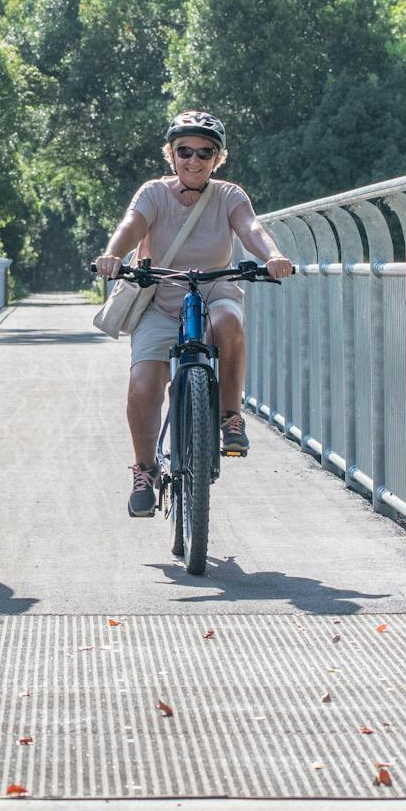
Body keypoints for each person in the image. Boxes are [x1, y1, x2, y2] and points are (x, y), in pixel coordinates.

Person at [92, 110, 295, 517]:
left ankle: (230, 416)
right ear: (170, 154)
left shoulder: (229, 196)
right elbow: (131, 224)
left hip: (214, 291)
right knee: (143, 384)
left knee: (228, 322)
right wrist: (113, 254)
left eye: (206, 152)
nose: (194, 160)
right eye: (184, 150)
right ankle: (145, 470)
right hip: (161, 299)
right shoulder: (152, 193)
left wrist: (272, 255)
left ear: (218, 159)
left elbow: (251, 227)